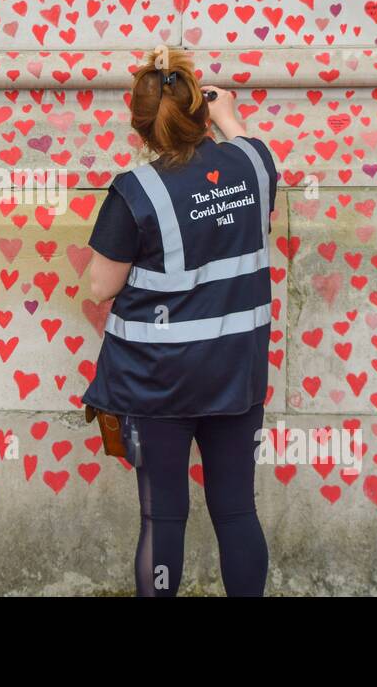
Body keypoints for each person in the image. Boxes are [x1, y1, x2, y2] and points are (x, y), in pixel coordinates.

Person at [82, 46, 278, 597]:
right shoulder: (254, 167)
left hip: (158, 382)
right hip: (236, 376)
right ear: (198, 109)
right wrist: (226, 113)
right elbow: (241, 143)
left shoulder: (136, 190)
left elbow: (101, 286)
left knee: (162, 519)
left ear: (139, 127)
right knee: (237, 512)